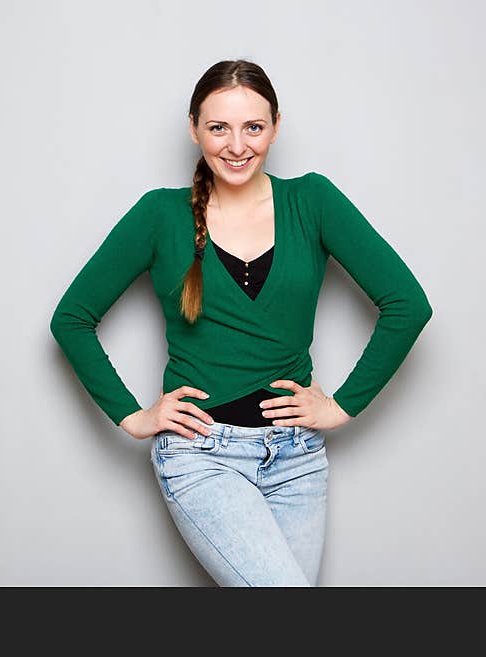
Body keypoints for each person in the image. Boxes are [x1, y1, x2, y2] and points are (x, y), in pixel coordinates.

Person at [49, 60, 432, 586]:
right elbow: (72, 318)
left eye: (253, 126)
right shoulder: (161, 215)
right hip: (202, 456)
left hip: (297, 458)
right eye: (218, 128)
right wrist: (132, 416)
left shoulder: (312, 201)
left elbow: (408, 304)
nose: (236, 145)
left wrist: (343, 406)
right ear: (193, 129)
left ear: (275, 126)